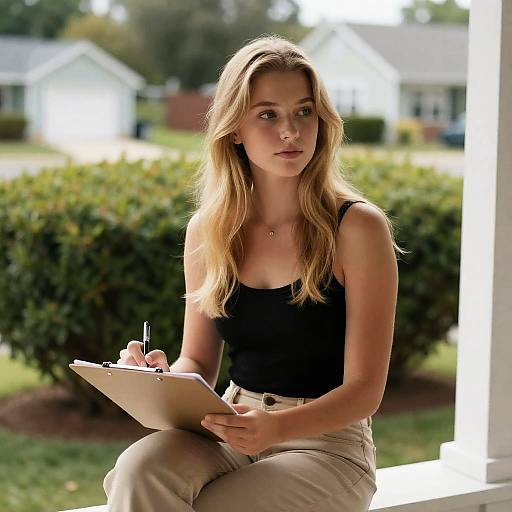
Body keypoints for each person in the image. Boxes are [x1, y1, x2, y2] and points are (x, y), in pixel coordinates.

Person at [103, 34, 402, 512]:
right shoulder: (209, 231)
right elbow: (197, 364)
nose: (291, 131)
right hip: (230, 422)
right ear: (235, 128)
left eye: (304, 112)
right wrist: (162, 382)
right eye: (268, 114)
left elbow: (365, 390)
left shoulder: (358, 228)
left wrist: (276, 427)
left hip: (328, 446)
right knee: (140, 470)